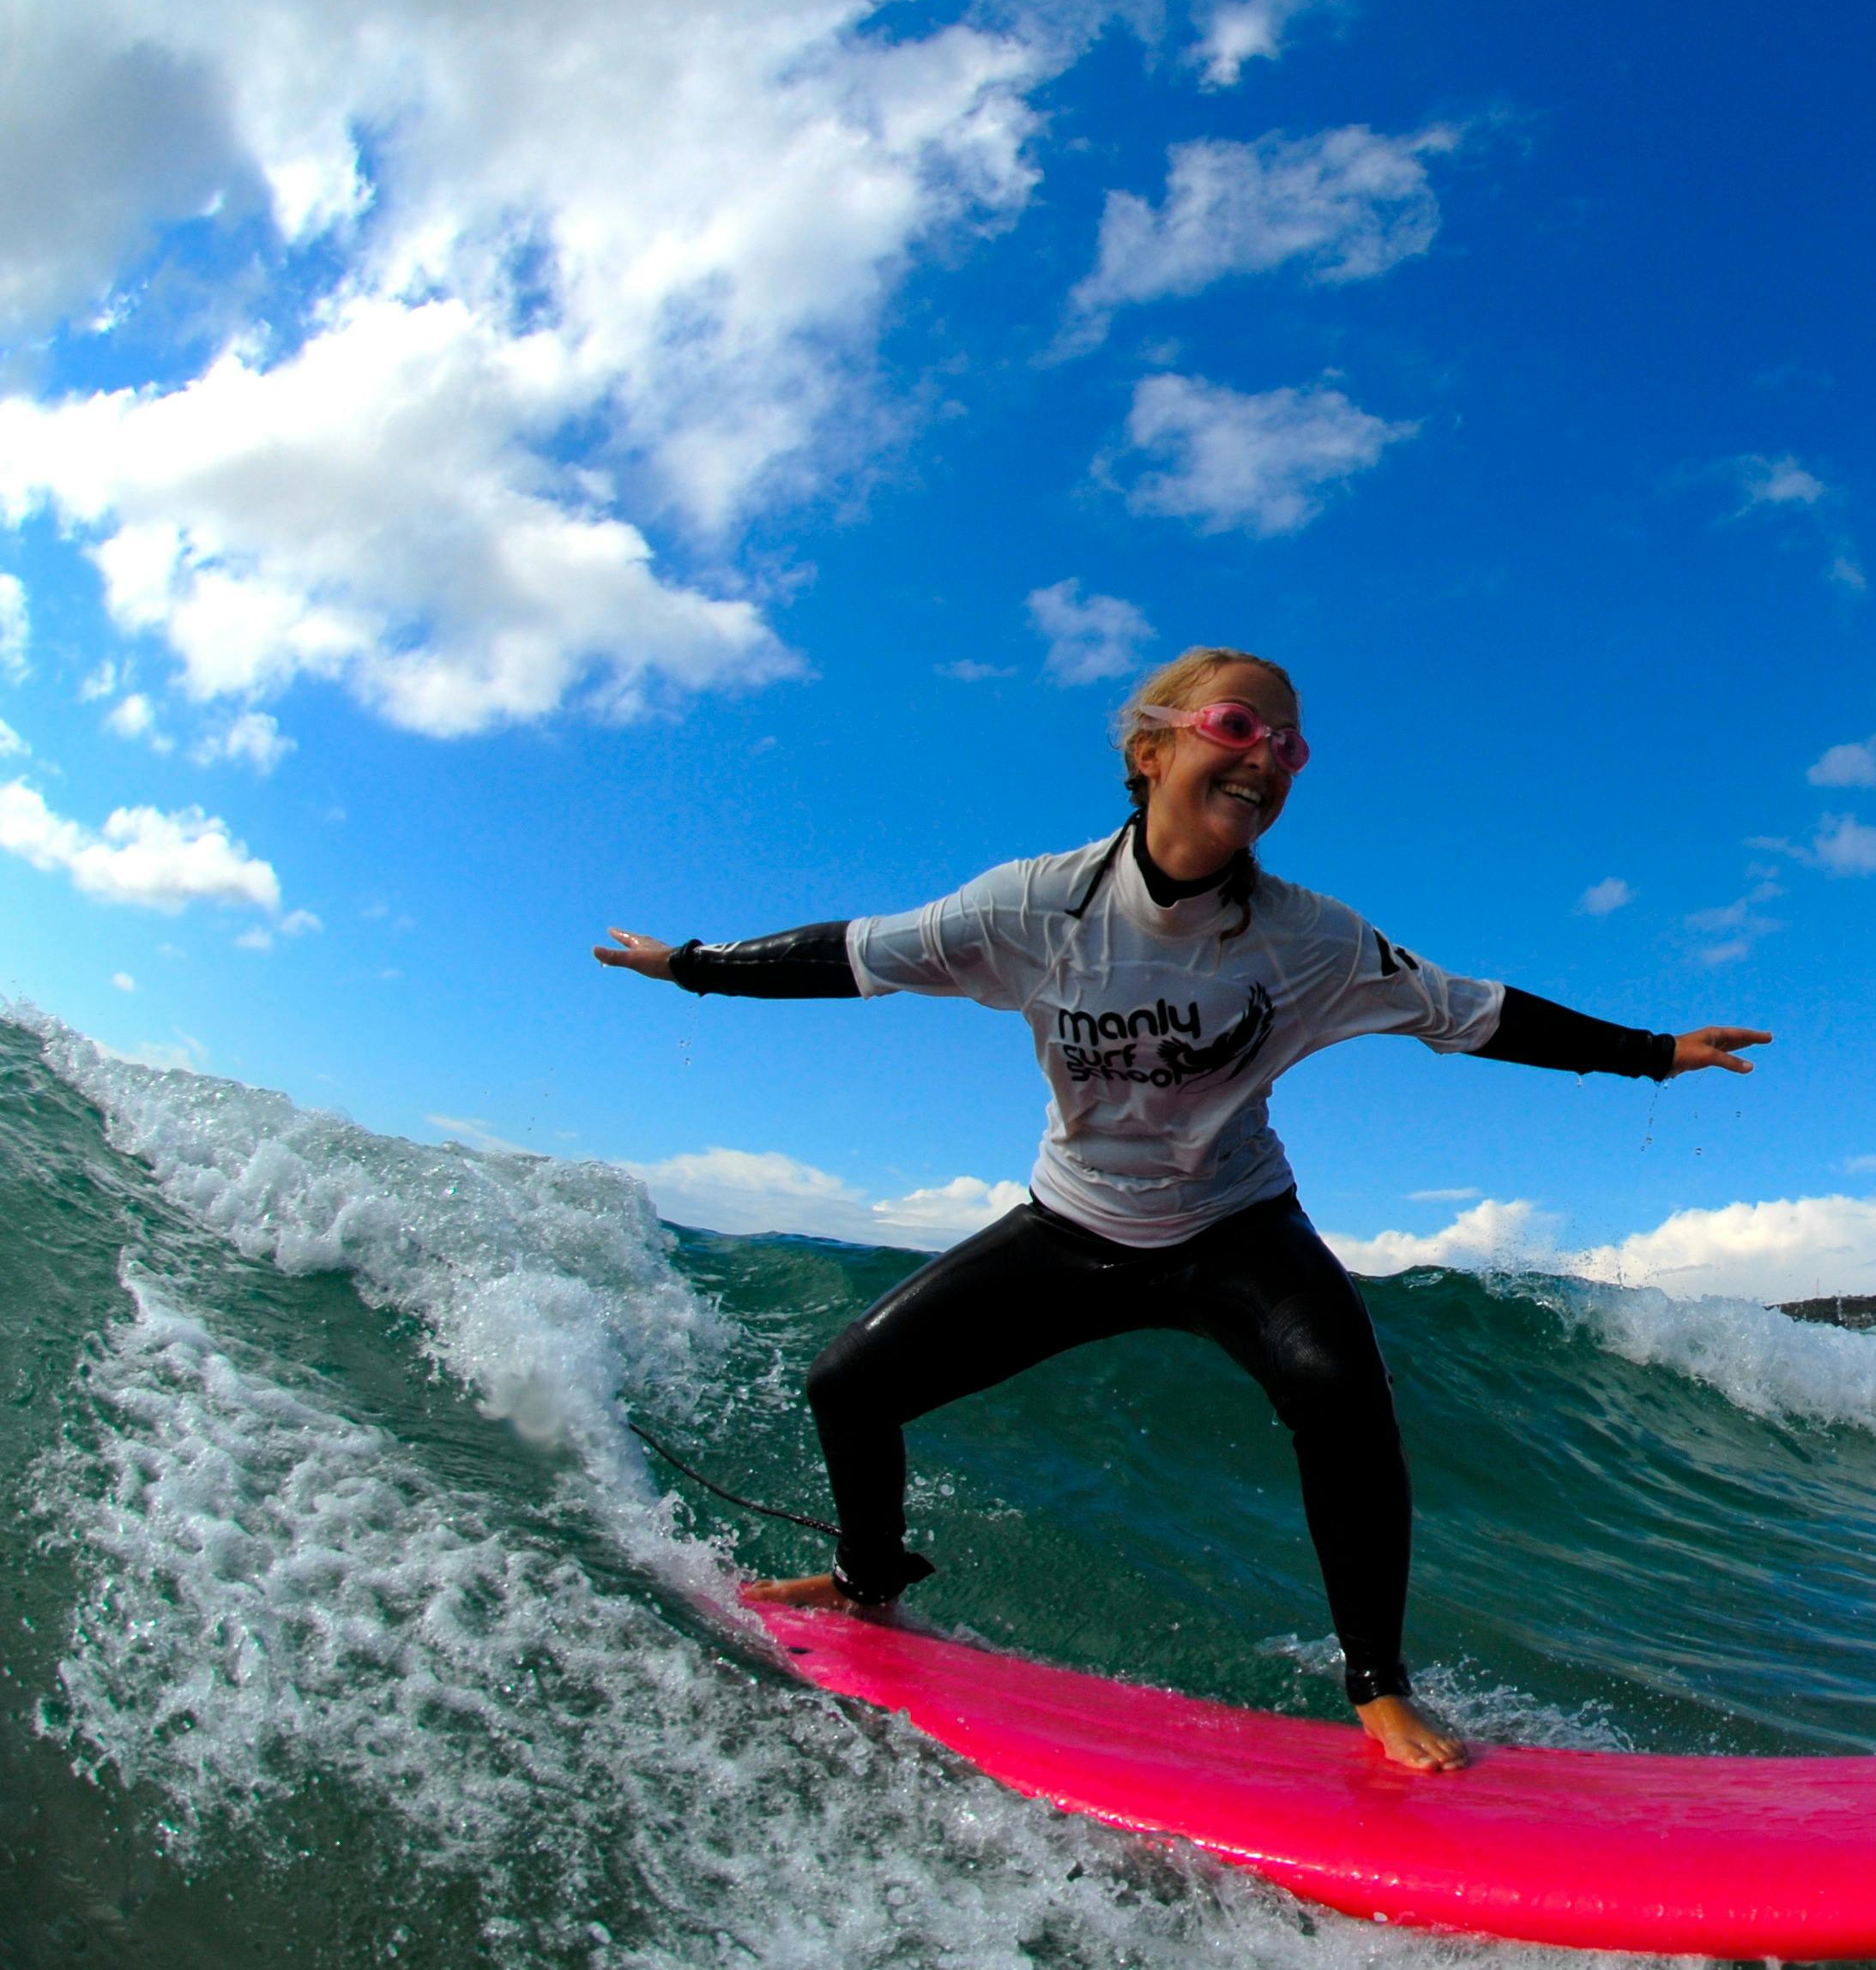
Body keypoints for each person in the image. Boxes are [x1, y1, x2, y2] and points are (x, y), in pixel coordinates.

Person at [594, 647, 1767, 1770]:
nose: (1266, 757)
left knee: (1344, 1398)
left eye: (1291, 746)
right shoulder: (1031, 908)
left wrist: (1656, 1053)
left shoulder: (1312, 939)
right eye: (1237, 725)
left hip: (1236, 1227)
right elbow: (857, 954)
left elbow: (1473, 1012)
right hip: (1076, 1225)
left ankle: (1379, 1685)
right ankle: (867, 1581)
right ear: (1151, 750)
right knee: (849, 1382)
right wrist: (692, 963)